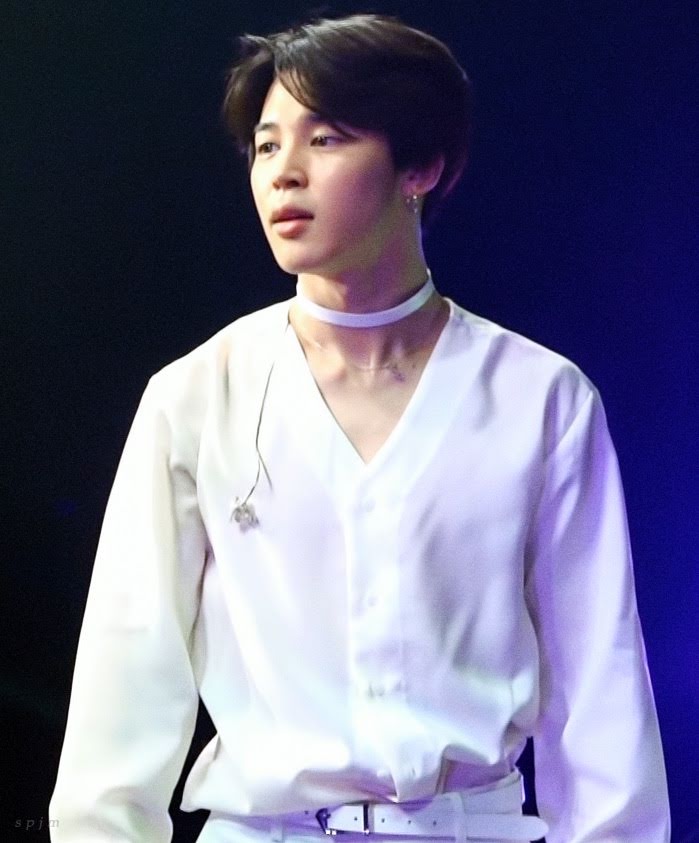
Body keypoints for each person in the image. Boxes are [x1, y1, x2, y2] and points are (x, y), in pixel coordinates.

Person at [49, 13, 670, 843]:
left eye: (326, 139)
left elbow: (599, 691)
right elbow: (125, 681)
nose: (284, 173)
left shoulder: (539, 399)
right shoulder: (197, 395)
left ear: (420, 166)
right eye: (265, 146)